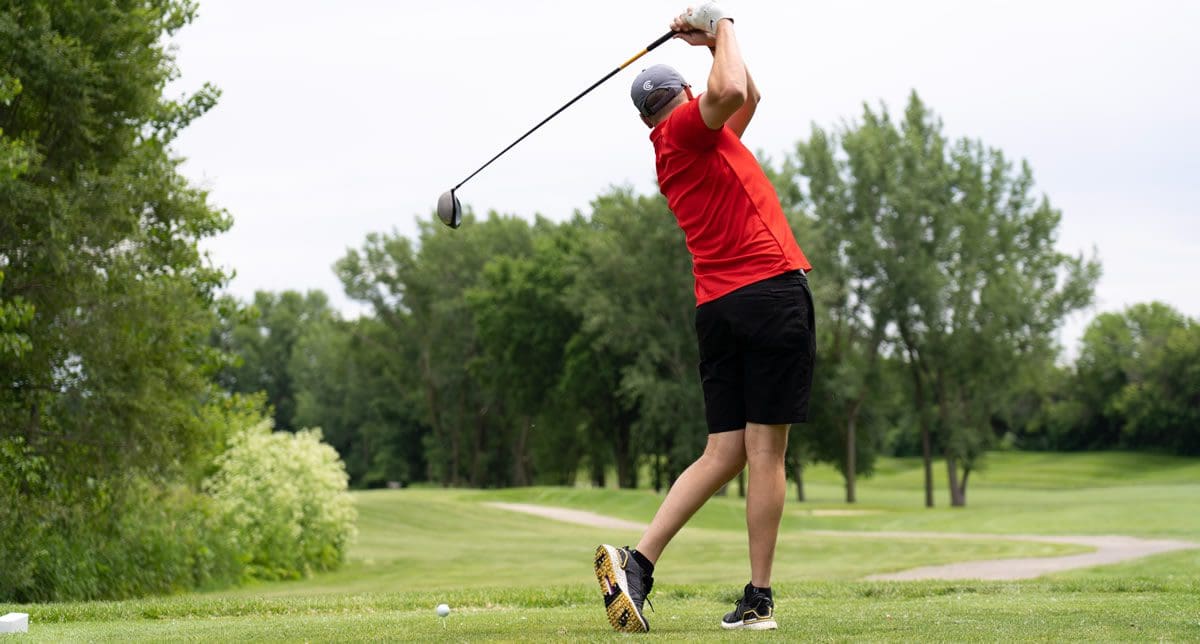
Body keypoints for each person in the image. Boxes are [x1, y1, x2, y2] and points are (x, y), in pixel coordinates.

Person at [592, 2, 815, 634]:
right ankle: (759, 599)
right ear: (683, 99)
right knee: (766, 452)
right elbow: (732, 87)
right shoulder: (691, 128)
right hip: (769, 295)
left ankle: (638, 562)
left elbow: (747, 91)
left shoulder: (682, 147)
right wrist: (724, 25)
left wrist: (710, 43)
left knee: (724, 452)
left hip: (719, 309)